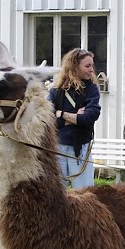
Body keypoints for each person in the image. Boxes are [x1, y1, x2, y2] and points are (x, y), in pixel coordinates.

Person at [48, 48, 101, 189]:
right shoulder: (55, 91)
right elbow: (48, 119)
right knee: (57, 196)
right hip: (57, 149)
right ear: (74, 67)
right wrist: (75, 117)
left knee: (85, 195)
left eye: (92, 66)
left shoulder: (91, 90)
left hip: (80, 151)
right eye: (87, 66)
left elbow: (89, 118)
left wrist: (61, 114)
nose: (91, 70)